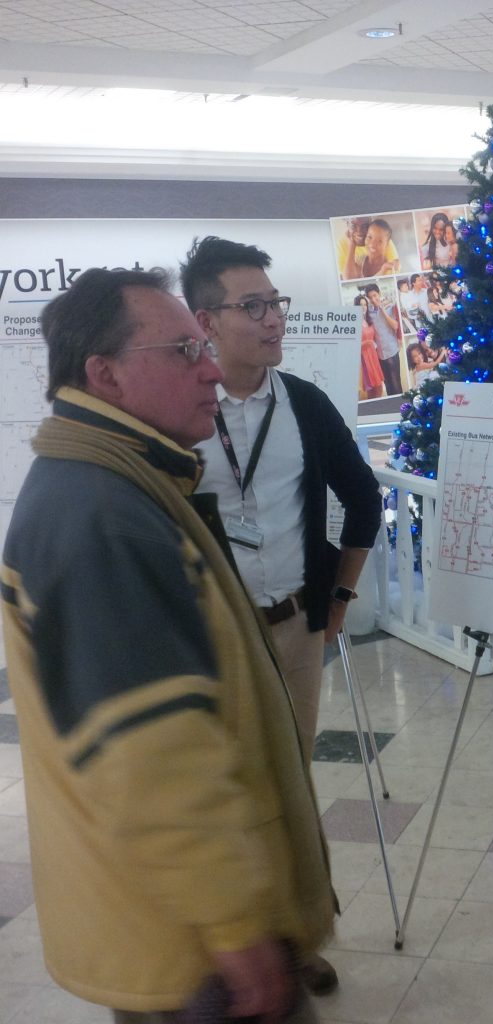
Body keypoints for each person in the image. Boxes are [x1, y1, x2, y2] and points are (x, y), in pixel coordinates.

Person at [0, 268, 334, 1022]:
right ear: (105, 375)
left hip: (177, 930)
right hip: (192, 954)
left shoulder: (114, 484)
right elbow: (150, 751)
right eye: (184, 350)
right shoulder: (101, 518)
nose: (211, 367)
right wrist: (236, 928)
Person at [180, 237, 382, 995]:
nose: (272, 320)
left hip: (296, 630)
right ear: (207, 319)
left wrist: (337, 603)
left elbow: (363, 501)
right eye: (252, 306)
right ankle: (228, 941)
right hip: (214, 638)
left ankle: (295, 937)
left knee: (289, 787)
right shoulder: (182, 412)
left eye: (276, 304)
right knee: (222, 787)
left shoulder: (304, 403)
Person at [362, 281, 403, 394]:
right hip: (379, 354)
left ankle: (401, 406)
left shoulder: (389, 307)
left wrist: (383, 310)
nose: (373, 299)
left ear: (379, 293)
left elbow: (395, 326)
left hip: (392, 350)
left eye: (375, 295)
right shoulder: (368, 312)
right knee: (387, 382)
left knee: (396, 381)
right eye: (370, 297)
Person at [337, 215, 399, 280]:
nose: (359, 232)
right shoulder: (342, 246)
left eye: (364, 226)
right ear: (347, 225)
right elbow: (348, 279)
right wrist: (352, 246)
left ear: (370, 224)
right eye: (353, 226)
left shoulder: (384, 238)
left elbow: (393, 270)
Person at [355, 292, 385, 399]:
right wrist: (368, 343)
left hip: (373, 356)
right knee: (371, 388)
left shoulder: (368, 320)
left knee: (379, 386)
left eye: (365, 304)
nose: (364, 307)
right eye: (361, 305)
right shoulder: (355, 323)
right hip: (364, 358)